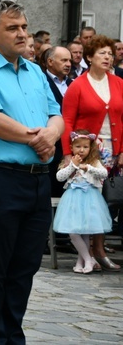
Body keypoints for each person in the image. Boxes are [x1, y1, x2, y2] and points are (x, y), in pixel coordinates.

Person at [0, 0, 63, 345]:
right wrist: (37, 139)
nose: (22, 34)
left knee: (25, 266)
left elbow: (56, 114)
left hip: (36, 179)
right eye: (13, 28)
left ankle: (12, 335)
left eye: (24, 27)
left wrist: (51, 134)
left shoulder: (35, 71)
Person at [60, 34, 123, 272]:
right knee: (92, 201)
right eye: (102, 54)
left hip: (113, 149)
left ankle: (99, 248)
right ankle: (94, 250)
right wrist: (68, 153)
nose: (108, 57)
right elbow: (67, 120)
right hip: (88, 151)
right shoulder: (78, 85)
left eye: (110, 53)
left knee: (111, 200)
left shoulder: (118, 83)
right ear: (89, 58)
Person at [52, 130, 112, 274]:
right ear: (72, 148)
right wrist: (72, 165)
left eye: (85, 147)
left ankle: (81, 262)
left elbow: (104, 173)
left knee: (84, 232)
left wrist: (89, 168)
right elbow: (59, 177)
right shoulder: (69, 162)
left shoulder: (94, 162)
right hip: (72, 200)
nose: (82, 150)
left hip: (90, 199)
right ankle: (89, 259)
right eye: (78, 147)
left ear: (90, 148)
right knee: (74, 233)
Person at [44, 46, 73, 198]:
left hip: (71, 146)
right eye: (63, 60)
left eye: (69, 60)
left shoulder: (73, 83)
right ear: (50, 62)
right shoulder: (41, 82)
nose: (68, 64)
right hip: (51, 146)